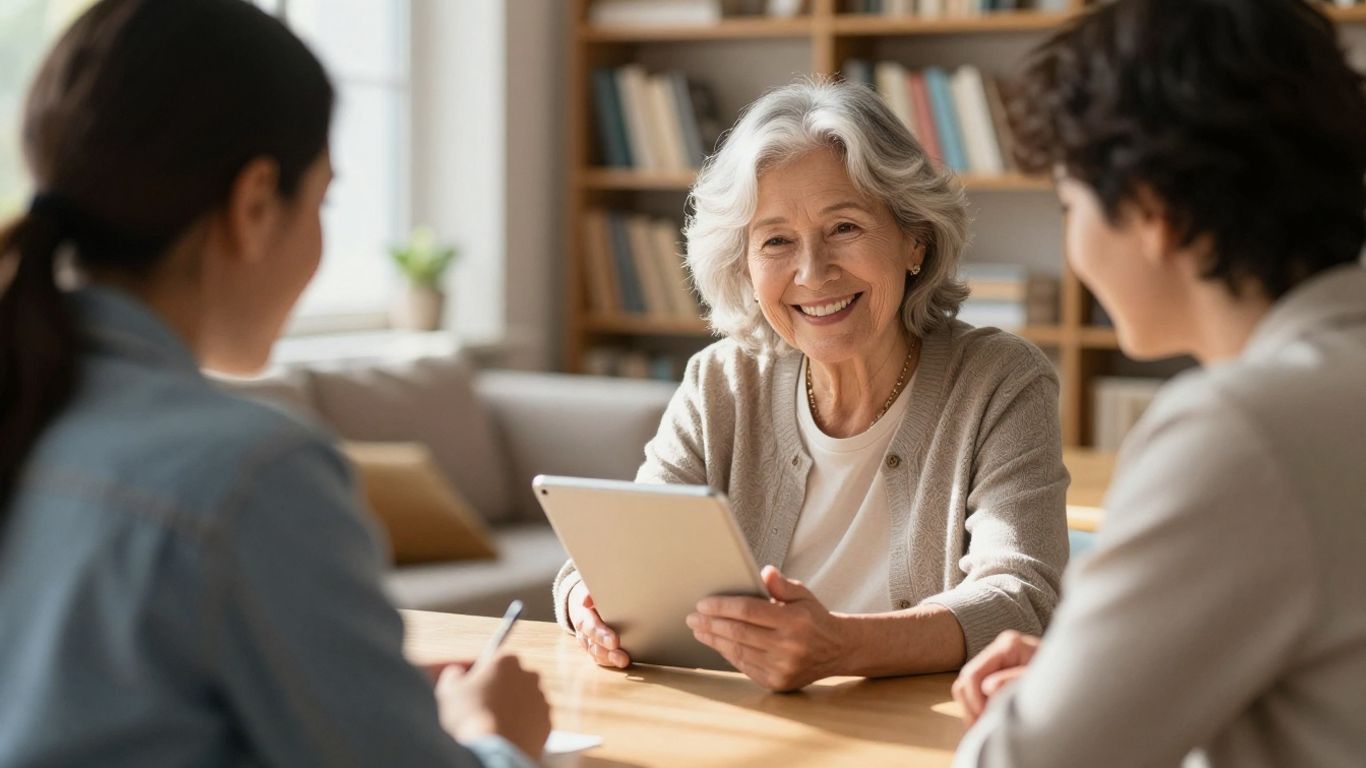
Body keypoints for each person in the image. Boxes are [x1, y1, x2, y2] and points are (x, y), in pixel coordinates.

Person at [0, 1, 549, 765]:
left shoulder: (35, 412)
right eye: (322, 199)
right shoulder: (251, 474)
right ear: (255, 203)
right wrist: (495, 736)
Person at [951, 0, 1366, 765]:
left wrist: (1066, 699)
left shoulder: (1240, 432)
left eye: (1070, 205)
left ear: (1151, 209)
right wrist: (1118, 678)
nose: (1073, 243)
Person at [553, 79, 1070, 692]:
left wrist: (843, 647)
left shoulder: (999, 380)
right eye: (775, 241)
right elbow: (609, 557)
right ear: (743, 264)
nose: (812, 272)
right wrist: (589, 602)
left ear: (914, 240)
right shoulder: (720, 381)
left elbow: (1022, 597)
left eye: (844, 228)